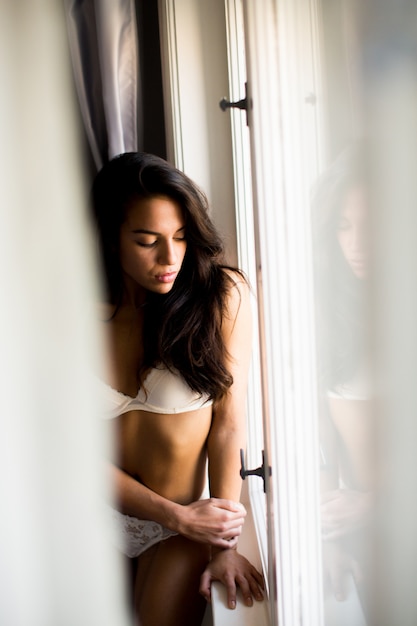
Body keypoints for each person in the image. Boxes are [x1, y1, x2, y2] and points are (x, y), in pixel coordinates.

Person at [91, 152, 264, 626]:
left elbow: (228, 426)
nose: (170, 258)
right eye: (147, 241)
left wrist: (221, 543)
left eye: (181, 237)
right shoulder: (72, 312)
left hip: (182, 524)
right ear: (110, 236)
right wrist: (172, 515)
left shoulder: (220, 298)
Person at [311, 144, 375, 610]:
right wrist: (326, 536)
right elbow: (315, 438)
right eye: (343, 227)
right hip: (353, 527)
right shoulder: (325, 314)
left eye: (372, 226)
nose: (357, 245)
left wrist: (376, 503)